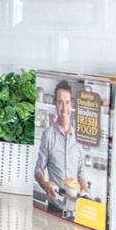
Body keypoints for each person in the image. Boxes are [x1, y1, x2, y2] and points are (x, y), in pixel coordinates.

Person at [34, 78, 83, 210]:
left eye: (67, 102)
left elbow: (81, 172)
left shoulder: (79, 137)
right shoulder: (48, 135)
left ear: (71, 104)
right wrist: (45, 184)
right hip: (54, 206)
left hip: (76, 210)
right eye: (60, 102)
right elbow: (38, 169)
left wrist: (84, 191)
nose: (64, 108)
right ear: (55, 103)